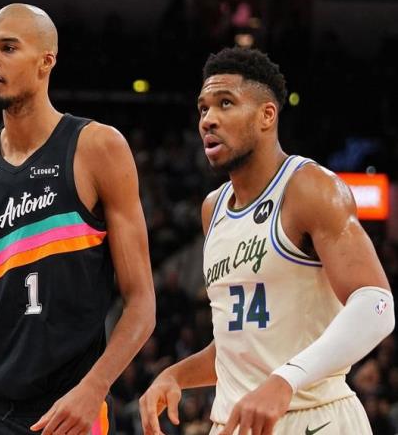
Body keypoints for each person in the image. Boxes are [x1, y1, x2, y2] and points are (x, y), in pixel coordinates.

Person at [0, 3, 155, 435]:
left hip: (63, 413)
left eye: (8, 48)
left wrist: (94, 387)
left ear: (47, 61)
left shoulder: (96, 148)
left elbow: (141, 304)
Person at [139, 47, 395, 435]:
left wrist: (286, 379)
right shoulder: (213, 209)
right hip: (235, 421)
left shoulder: (310, 187)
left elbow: (377, 306)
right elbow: (243, 348)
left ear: (267, 115)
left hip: (315, 417)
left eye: (225, 103)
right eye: (203, 108)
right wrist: (175, 375)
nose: (208, 119)